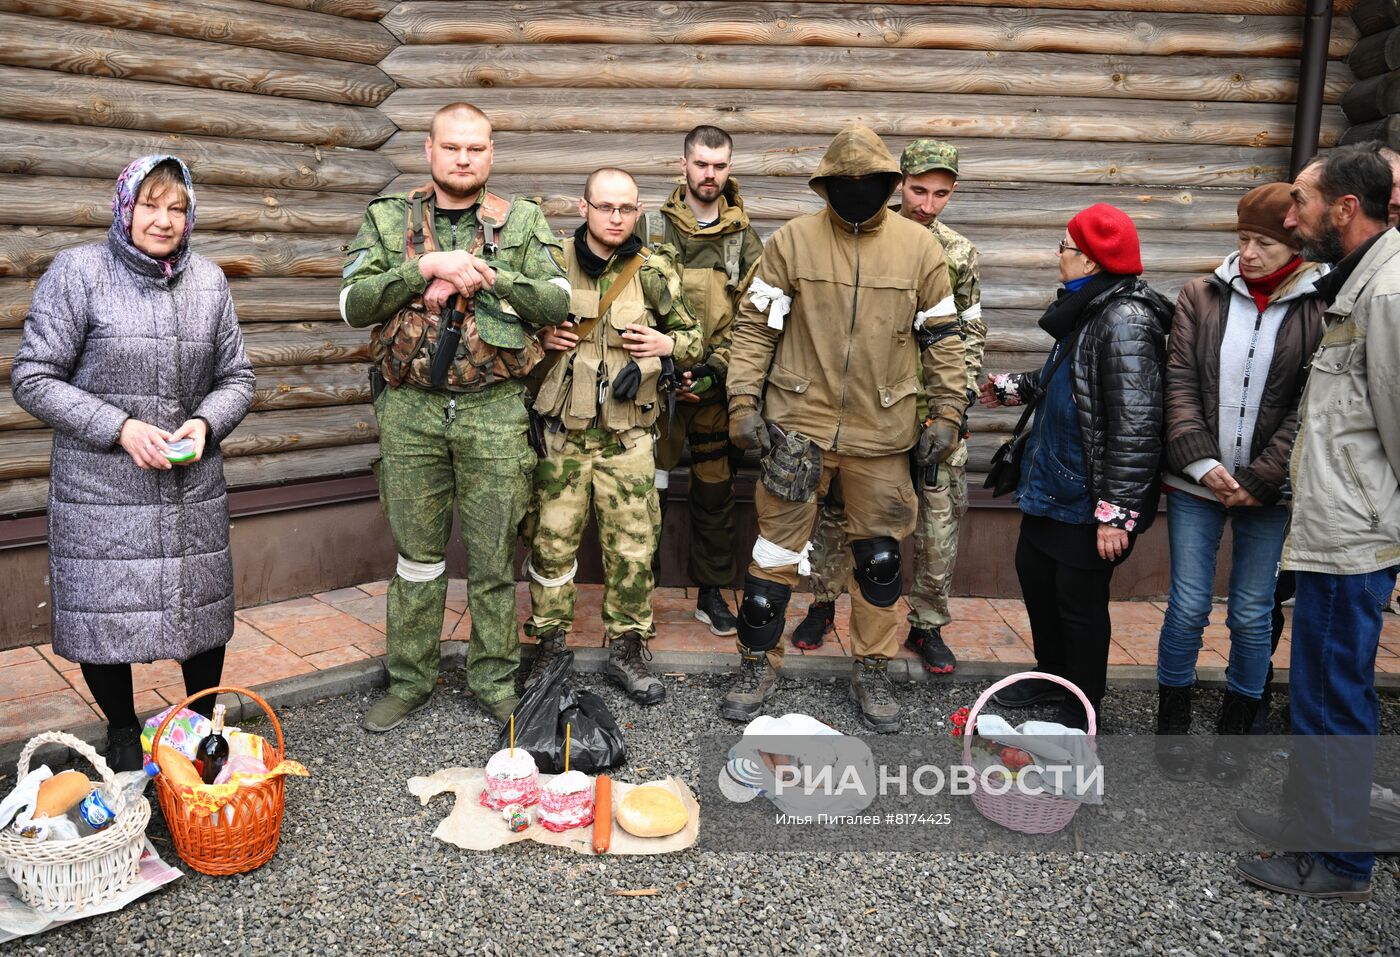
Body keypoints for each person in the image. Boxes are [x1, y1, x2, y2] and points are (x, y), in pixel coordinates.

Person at [12, 155, 255, 771]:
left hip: (188, 485)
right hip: (102, 489)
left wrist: (206, 422)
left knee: (198, 614)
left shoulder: (209, 282)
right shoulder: (79, 273)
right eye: (150, 204)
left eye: (177, 207)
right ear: (124, 205)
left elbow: (237, 378)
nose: (164, 219)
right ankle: (121, 730)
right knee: (107, 616)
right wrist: (119, 428)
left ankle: (200, 731)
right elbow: (33, 377)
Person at [722, 125, 967, 732]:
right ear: (825, 186)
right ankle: (756, 662)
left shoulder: (919, 249)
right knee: (773, 554)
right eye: (844, 183)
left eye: (871, 183)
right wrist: (742, 404)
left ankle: (874, 669)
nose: (857, 192)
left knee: (880, 562)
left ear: (888, 184)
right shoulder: (792, 242)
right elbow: (755, 329)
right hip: (796, 428)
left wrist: (950, 411)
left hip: (882, 431)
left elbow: (942, 338)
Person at [341, 102, 571, 732]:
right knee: (416, 556)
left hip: (495, 410)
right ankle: (410, 679)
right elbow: (353, 302)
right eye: (452, 147)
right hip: (410, 410)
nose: (464, 158)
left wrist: (486, 276)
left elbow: (556, 298)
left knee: (495, 558)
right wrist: (424, 267)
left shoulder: (521, 220)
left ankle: (494, 680)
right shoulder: (389, 219)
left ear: (491, 154)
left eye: (476, 148)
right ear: (429, 151)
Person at [1236, 144, 1400, 903]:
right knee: (1317, 690)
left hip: (1357, 536)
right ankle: (1310, 818)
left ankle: (1339, 860)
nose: (1288, 213)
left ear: (1343, 209)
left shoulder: (1389, 293)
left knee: (1334, 696)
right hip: (1332, 528)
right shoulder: (1357, 282)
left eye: (1300, 200)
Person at [1153, 183, 1326, 783]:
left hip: (1269, 493)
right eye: (1243, 240)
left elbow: (1311, 406)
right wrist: (1202, 463)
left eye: (1264, 243)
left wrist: (1260, 478)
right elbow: (1177, 384)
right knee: (1187, 607)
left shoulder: (1321, 305)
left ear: (1295, 243)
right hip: (1198, 481)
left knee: (1253, 614)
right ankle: (1170, 725)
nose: (1248, 253)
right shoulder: (1199, 295)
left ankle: (1236, 734)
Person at [794, 138, 984, 675]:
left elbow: (967, 337)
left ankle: (927, 623)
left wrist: (952, 411)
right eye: (918, 190)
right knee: (838, 516)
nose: (927, 204)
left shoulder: (960, 255)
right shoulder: (861, 233)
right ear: (898, 183)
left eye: (941, 194)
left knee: (937, 525)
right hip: (867, 413)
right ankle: (824, 603)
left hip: (932, 415)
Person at [979, 203, 1170, 731]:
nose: (1057, 255)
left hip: (1089, 496)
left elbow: (1136, 423)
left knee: (1079, 603)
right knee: (1037, 577)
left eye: (1065, 247)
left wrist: (1118, 512)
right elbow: (1070, 381)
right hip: (1054, 479)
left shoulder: (1125, 320)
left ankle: (1082, 701)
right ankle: (1052, 673)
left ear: (1089, 261)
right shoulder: (1087, 307)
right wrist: (1015, 388)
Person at [524, 168, 702, 704]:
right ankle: (550, 647)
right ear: (583, 208)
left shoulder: (654, 270)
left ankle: (627, 648)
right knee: (550, 547)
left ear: (638, 209)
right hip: (563, 439)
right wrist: (542, 338)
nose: (616, 218)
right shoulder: (550, 265)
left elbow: (695, 341)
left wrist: (665, 346)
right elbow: (507, 338)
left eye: (626, 208)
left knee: (632, 549)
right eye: (605, 207)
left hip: (628, 441)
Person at [641, 125, 762, 636]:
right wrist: (665, 368)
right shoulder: (649, 229)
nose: (709, 174)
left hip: (714, 391)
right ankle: (635, 598)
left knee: (714, 495)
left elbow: (752, 319)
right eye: (701, 164)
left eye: (719, 166)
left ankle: (711, 594)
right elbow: (634, 303)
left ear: (729, 169)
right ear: (683, 164)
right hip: (652, 391)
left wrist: (713, 374)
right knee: (645, 492)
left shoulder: (744, 239)